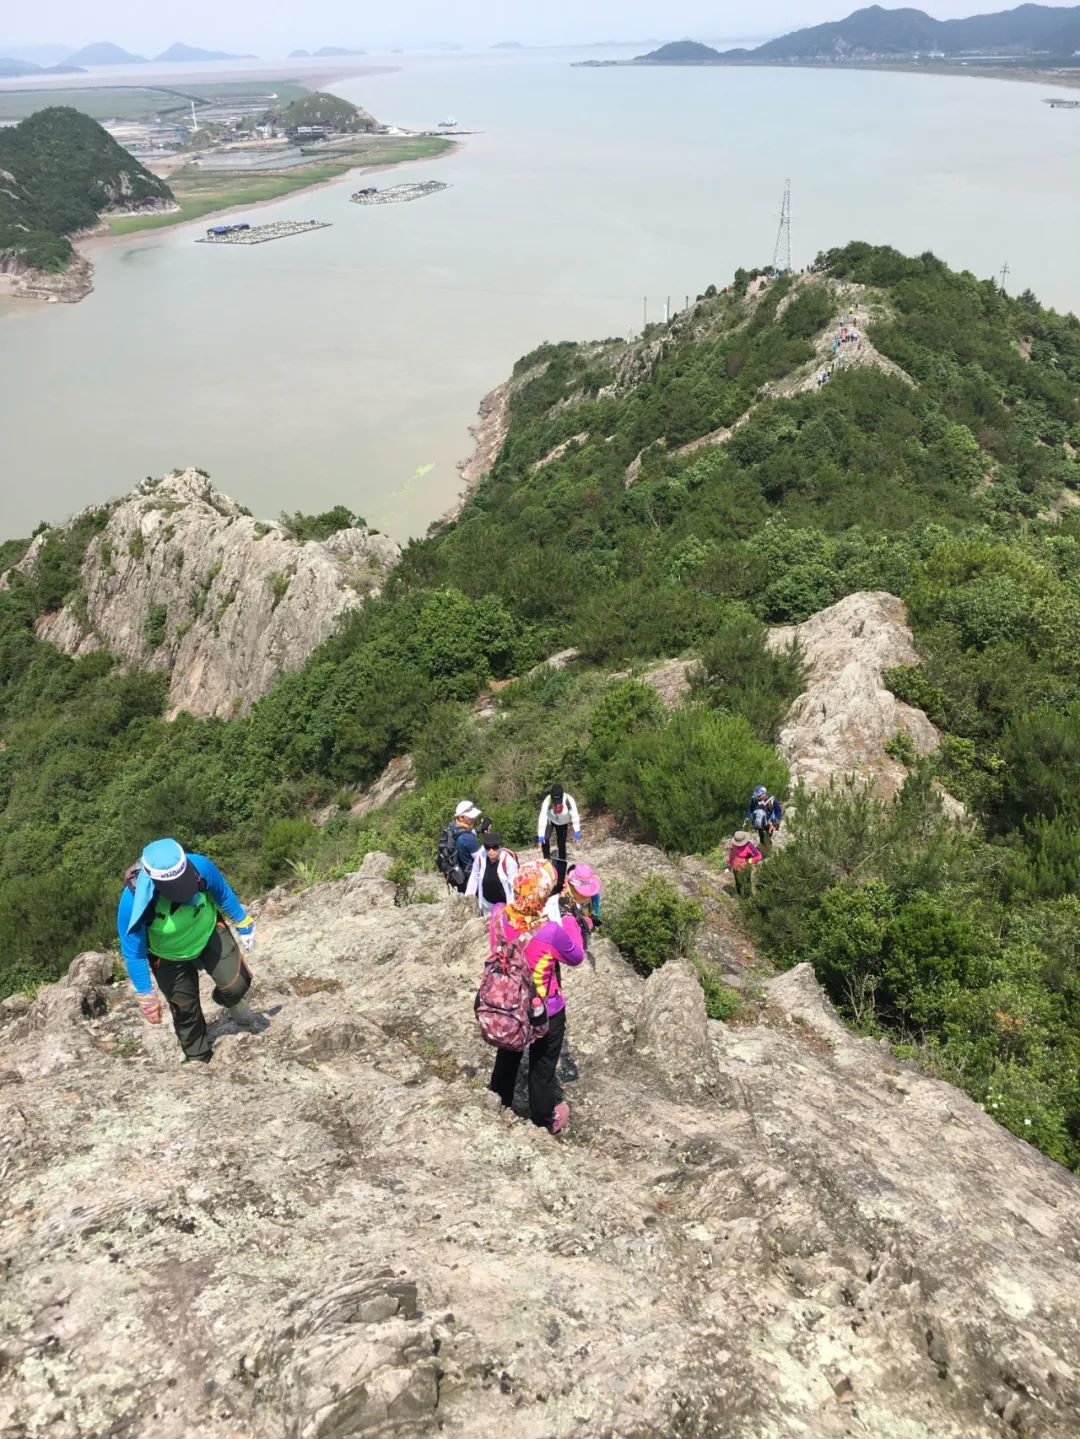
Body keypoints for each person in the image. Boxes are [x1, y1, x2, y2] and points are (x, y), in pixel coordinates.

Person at [117, 838, 258, 1065]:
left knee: (237, 984)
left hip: (207, 931)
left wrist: (244, 922)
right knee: (185, 1011)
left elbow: (221, 892)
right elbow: (133, 952)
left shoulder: (199, 866)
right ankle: (198, 1058)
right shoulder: (132, 901)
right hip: (167, 955)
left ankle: (232, 1000)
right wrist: (146, 995)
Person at [489, 859, 584, 1134]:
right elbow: (576, 956)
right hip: (544, 1008)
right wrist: (569, 917)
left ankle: (499, 1101)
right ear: (543, 895)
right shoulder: (551, 932)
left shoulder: (498, 914)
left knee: (507, 1056)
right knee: (542, 1066)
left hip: (508, 1003)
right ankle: (544, 1116)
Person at [545, 862, 602, 952]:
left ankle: (584, 947)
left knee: (585, 935)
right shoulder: (563, 895)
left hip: (583, 919)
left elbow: (594, 903)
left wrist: (595, 916)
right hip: (570, 927)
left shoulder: (593, 895)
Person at [466, 832, 519, 917]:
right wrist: (468, 897)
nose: (491, 851)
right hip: (487, 904)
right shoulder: (480, 858)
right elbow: (474, 877)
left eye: (494, 847)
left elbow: (514, 885)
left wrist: (512, 908)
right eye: (488, 848)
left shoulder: (508, 862)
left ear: (499, 847)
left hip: (505, 904)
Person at [437, 801, 483, 893]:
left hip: (460, 876)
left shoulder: (453, 827)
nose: (474, 818)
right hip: (471, 880)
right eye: (471, 817)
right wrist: (489, 838)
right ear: (461, 817)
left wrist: (479, 829)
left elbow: (462, 835)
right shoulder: (468, 838)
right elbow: (481, 860)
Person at [537, 783, 582, 873]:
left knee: (561, 843)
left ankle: (562, 863)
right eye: (555, 800)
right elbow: (542, 817)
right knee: (545, 839)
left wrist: (577, 830)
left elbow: (575, 815)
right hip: (551, 820)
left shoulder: (569, 800)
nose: (557, 803)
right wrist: (541, 834)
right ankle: (546, 859)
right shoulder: (548, 800)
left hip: (563, 823)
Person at [727, 831, 763, 900]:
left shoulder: (749, 845)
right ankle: (740, 896)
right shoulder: (734, 844)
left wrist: (748, 861)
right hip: (736, 865)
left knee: (746, 882)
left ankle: (747, 899)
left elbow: (758, 856)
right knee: (738, 881)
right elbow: (732, 853)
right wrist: (731, 862)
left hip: (745, 866)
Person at [745, 786, 783, 850]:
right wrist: (747, 818)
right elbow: (750, 809)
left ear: (764, 793)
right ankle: (762, 847)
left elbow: (778, 811)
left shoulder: (772, 801)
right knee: (761, 836)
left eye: (759, 795)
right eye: (757, 795)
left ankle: (768, 850)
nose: (757, 796)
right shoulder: (754, 800)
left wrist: (776, 822)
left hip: (770, 823)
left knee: (768, 837)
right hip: (760, 821)